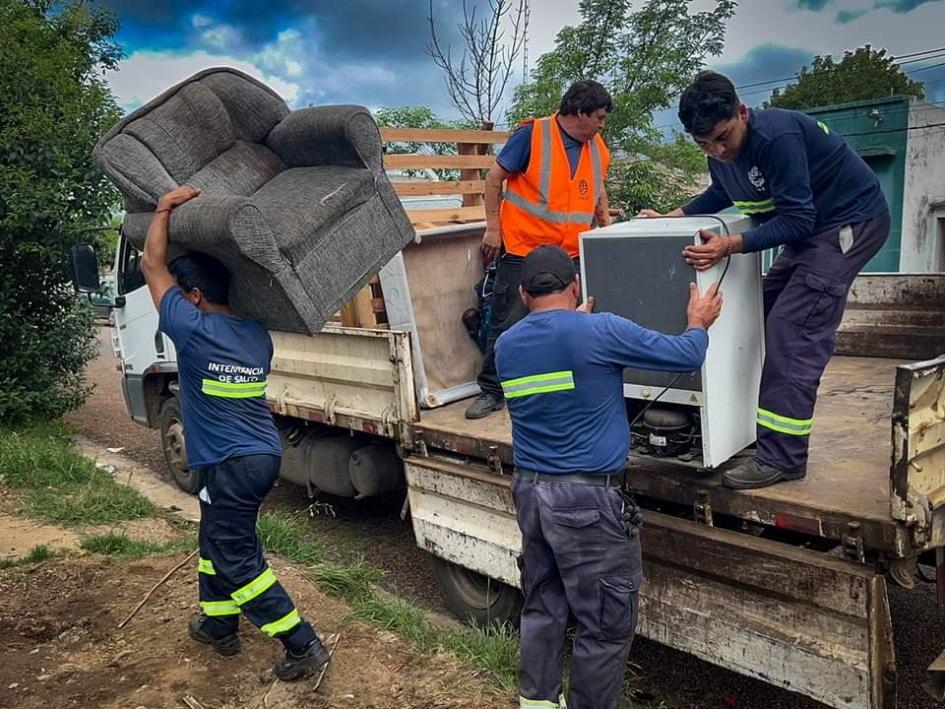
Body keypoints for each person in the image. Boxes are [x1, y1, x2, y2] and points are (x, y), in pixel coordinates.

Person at [496, 245, 722, 709]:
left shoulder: (506, 345)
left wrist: (575, 324)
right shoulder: (599, 331)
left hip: (532, 494)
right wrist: (699, 320)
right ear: (575, 285)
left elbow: (555, 368)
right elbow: (684, 356)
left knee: (543, 605)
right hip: (586, 504)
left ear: (522, 293)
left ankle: (536, 703)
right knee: (604, 624)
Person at [640, 70, 890, 490]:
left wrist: (729, 244)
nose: (718, 151)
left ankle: (784, 457)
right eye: (705, 144)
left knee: (793, 330)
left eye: (724, 137)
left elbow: (797, 218)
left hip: (849, 222)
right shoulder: (718, 150)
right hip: (810, 231)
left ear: (742, 113)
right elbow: (720, 194)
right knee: (758, 312)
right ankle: (754, 432)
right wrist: (673, 217)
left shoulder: (777, 139)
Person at [140, 185, 330, 680]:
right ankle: (218, 626)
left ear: (196, 296)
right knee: (215, 541)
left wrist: (163, 209)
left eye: (183, 296)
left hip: (227, 462)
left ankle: (302, 643)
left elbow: (151, 266)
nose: (175, 302)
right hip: (259, 454)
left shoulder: (192, 328)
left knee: (235, 556)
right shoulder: (255, 334)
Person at [465, 79, 614, 420]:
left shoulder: (596, 145)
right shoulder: (532, 135)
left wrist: (606, 227)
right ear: (580, 112)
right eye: (600, 117)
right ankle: (491, 390)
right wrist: (492, 228)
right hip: (524, 247)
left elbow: (597, 190)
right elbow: (493, 180)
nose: (602, 125)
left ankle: (566, 387)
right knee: (508, 320)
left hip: (572, 251)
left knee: (575, 321)